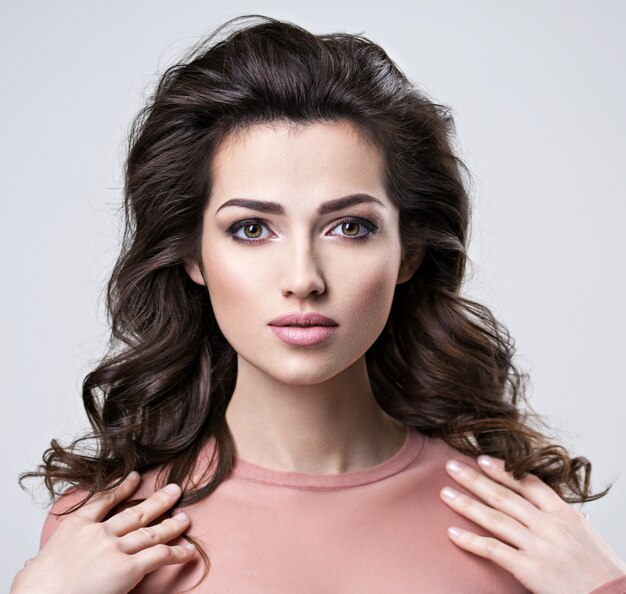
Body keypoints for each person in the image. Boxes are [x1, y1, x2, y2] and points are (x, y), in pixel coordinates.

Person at [11, 14, 626, 594]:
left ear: (408, 252)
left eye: (349, 227)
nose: (303, 278)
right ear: (193, 256)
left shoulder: (516, 527)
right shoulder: (106, 532)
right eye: (252, 229)